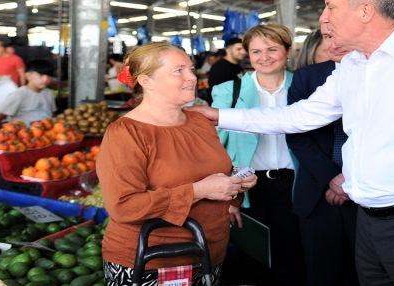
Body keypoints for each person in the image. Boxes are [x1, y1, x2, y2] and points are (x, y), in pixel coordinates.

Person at [189, 0, 394, 285]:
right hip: (369, 223)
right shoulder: (354, 64)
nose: (324, 17)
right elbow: (299, 116)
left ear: (365, 11)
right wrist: (218, 115)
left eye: (331, 7)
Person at [96, 41, 257, 286]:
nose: (191, 77)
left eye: (191, 69)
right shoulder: (126, 133)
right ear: (146, 81)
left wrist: (234, 180)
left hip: (209, 252)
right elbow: (124, 206)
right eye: (178, 71)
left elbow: (210, 173)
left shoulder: (200, 121)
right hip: (155, 260)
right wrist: (200, 190)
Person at [211, 23, 302, 284]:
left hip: (296, 186)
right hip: (247, 188)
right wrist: (227, 196)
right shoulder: (230, 91)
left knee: (293, 258)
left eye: (272, 49)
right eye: (256, 51)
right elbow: (216, 147)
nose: (264, 57)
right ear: (248, 55)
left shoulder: (305, 88)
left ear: (288, 51)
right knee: (254, 259)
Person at [286, 24, 357, 286]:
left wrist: (349, 179)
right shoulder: (307, 76)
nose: (332, 43)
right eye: (327, 37)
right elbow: (295, 133)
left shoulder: (381, 75)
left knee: (364, 273)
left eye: (339, 35)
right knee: (320, 272)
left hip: (365, 194)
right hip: (316, 192)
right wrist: (332, 178)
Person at [0, 59, 56, 129]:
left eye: (48, 76)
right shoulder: (19, 94)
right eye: (41, 75)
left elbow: (52, 114)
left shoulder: (49, 93)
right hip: (25, 135)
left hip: (47, 134)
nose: (46, 79)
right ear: (28, 76)